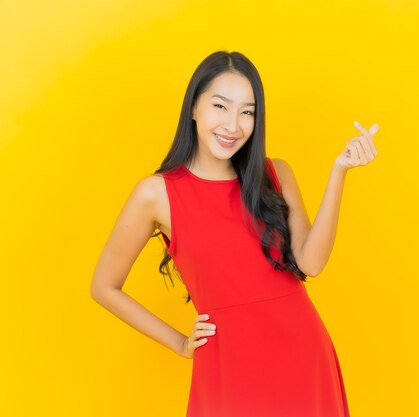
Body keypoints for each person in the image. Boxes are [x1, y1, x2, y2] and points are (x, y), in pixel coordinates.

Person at [90, 50, 379, 417]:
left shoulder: (275, 173)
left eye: (247, 112)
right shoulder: (155, 194)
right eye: (220, 106)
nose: (233, 124)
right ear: (193, 108)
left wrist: (339, 171)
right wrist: (179, 342)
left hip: (303, 357)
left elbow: (312, 262)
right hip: (227, 367)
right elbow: (103, 286)